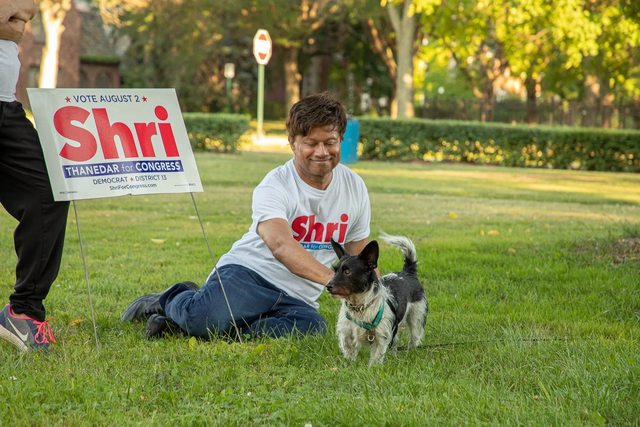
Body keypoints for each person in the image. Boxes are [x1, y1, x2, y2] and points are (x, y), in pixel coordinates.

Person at [122, 92, 371, 339]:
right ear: (292, 142)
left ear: (340, 140)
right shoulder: (275, 184)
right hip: (249, 275)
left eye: (329, 142)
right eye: (310, 143)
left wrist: (379, 299)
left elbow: (360, 258)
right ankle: (174, 297)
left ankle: (192, 324)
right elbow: (281, 245)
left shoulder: (354, 187)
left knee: (312, 328)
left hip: (297, 297)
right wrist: (335, 280)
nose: (321, 151)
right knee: (204, 320)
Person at [0, 0, 69, 351]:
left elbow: (23, 14)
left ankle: (23, 311)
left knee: (50, 192)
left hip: (6, 108)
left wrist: (13, 15)